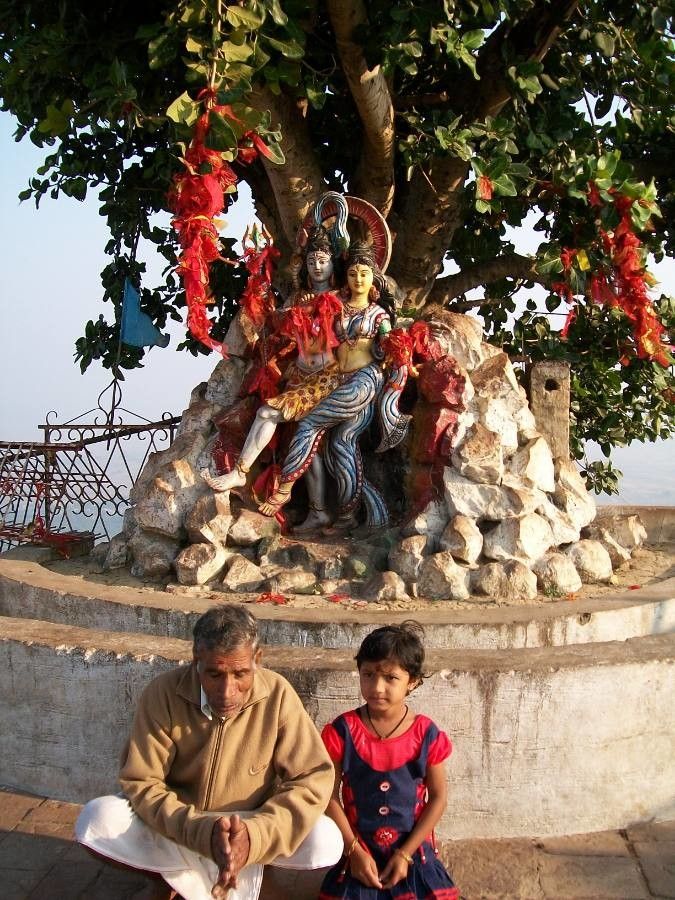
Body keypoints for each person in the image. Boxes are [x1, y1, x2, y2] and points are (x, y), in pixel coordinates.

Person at [75, 605, 342, 900]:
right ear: (196, 660)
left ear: (257, 660)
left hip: (249, 822)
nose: (227, 691)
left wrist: (255, 836)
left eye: (240, 673)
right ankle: (192, 879)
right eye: (214, 674)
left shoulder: (278, 694)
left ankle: (196, 880)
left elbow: (312, 778)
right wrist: (203, 832)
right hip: (182, 823)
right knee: (96, 821)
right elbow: (141, 782)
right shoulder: (163, 693)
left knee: (325, 839)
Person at [201, 210, 347, 534]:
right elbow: (275, 326)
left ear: (334, 263)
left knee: (271, 416)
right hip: (296, 374)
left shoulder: (341, 300)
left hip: (326, 379)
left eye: (322, 260)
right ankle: (317, 510)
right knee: (300, 445)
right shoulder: (296, 298)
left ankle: (241, 471)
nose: (317, 266)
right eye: (311, 261)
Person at [259, 242, 409, 535]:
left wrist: (397, 355)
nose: (358, 279)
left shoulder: (378, 314)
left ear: (373, 277)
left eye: (364, 273)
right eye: (352, 273)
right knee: (341, 445)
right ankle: (348, 516)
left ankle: (285, 486)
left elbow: (392, 347)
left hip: (364, 380)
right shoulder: (335, 307)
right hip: (334, 379)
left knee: (309, 423)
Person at [318, 622, 459, 899]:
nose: (377, 687)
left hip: (412, 854)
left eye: (390, 678)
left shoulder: (426, 735)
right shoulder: (342, 731)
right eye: (368, 675)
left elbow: (439, 798)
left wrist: (405, 855)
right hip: (359, 853)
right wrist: (353, 850)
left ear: (413, 682)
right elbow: (327, 796)